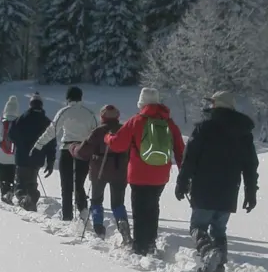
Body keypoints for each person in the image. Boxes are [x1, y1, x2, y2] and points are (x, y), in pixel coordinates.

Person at [174, 91, 258, 272]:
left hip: (204, 188)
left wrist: (182, 182)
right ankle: (219, 266)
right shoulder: (243, 133)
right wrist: (251, 192)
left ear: (216, 106)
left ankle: (208, 252)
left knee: (197, 227)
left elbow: (189, 159)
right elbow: (250, 165)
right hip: (229, 190)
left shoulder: (204, 128)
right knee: (219, 229)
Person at [106, 86, 184, 256]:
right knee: (153, 207)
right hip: (160, 174)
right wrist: (184, 174)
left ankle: (140, 247)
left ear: (141, 103)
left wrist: (108, 137)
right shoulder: (169, 122)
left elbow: (118, 144)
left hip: (139, 175)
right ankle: (150, 243)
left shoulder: (136, 121)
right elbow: (180, 150)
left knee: (140, 210)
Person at [31, 85, 98, 221]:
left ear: (68, 98)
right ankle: (83, 209)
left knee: (66, 185)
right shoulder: (89, 114)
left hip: (67, 150)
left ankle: (67, 216)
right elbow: (95, 134)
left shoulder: (64, 112)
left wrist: (38, 145)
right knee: (79, 183)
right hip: (83, 151)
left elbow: (52, 130)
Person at [73, 104, 131, 243]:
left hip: (99, 171)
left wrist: (72, 148)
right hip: (120, 171)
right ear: (117, 117)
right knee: (118, 203)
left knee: (97, 201)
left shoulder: (98, 132)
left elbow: (82, 152)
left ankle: (99, 229)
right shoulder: (124, 130)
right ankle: (123, 226)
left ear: (102, 117)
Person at [6, 93, 56, 211]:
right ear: (41, 105)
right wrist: (50, 161)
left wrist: (20, 144)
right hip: (38, 157)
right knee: (32, 180)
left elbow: (11, 134)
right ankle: (32, 197)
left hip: (22, 156)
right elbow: (51, 144)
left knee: (21, 182)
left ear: (31, 104)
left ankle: (23, 198)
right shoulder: (47, 122)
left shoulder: (21, 119)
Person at [0, 95, 19, 204]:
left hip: (2, 155)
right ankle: (10, 190)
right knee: (12, 175)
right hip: (15, 156)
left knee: (2, 176)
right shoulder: (19, 123)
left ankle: (4, 193)